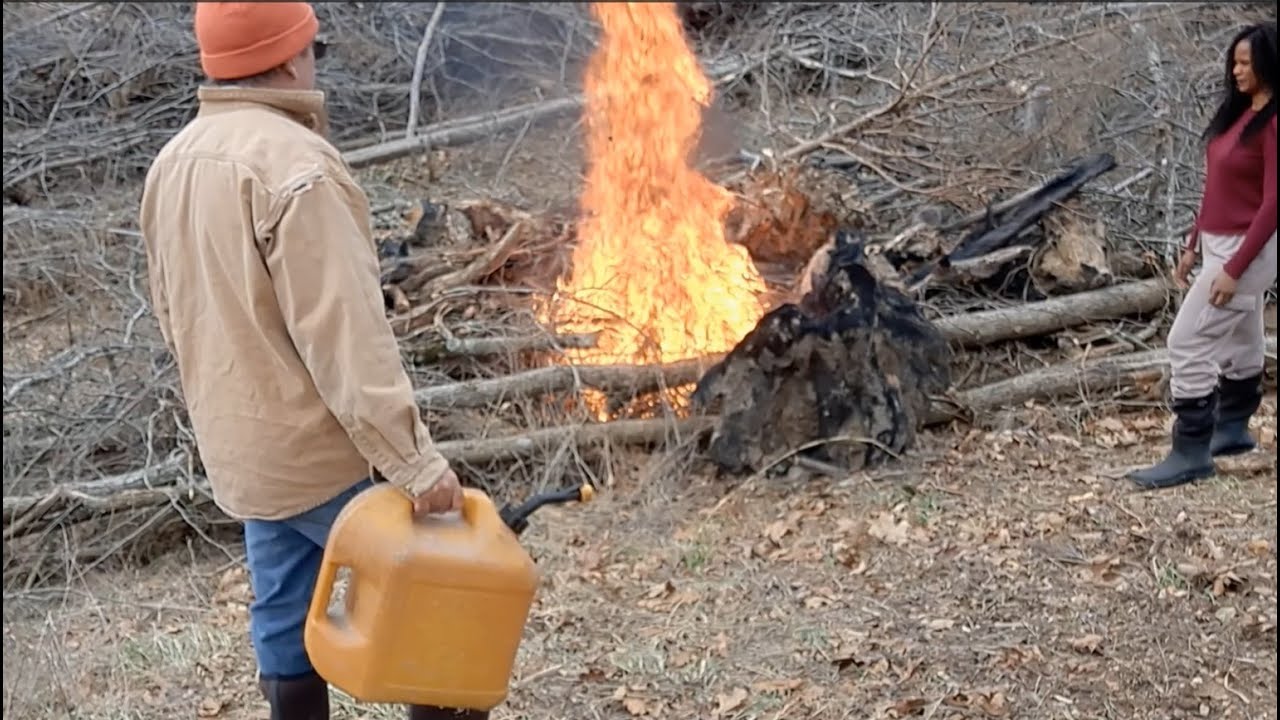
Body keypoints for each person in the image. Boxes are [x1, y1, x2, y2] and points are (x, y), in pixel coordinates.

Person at [138, 4, 485, 719]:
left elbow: (175, 317)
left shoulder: (171, 164)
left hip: (244, 457)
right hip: (326, 458)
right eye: (310, 43)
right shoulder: (298, 168)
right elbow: (347, 340)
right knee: (446, 612)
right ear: (292, 56)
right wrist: (416, 464)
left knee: (285, 628)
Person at [1128, 21, 1277, 490]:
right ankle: (1231, 430)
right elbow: (1219, 189)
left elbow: (1274, 203)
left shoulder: (1274, 122)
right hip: (1220, 240)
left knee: (1187, 342)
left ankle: (1190, 450)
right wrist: (1194, 243)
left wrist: (1233, 269)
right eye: (1233, 61)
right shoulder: (1239, 116)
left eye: (1245, 62)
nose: (1235, 70)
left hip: (1247, 247)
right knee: (1240, 338)